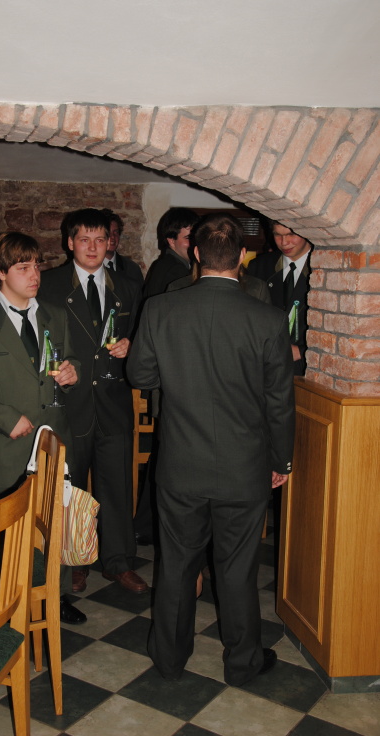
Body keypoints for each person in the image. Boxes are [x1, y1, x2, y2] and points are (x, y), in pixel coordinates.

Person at [127, 215, 295, 686]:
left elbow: (140, 375)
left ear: (197, 254)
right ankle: (242, 663)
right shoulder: (267, 318)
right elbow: (280, 402)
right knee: (238, 569)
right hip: (245, 467)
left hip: (180, 465)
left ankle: (169, 660)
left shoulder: (161, 308)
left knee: (177, 565)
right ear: (242, 257)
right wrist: (281, 460)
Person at [0, 231, 85, 624]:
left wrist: (72, 372)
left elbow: (69, 360)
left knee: (55, 521)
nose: (34, 274)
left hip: (54, 440)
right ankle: (5, 602)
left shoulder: (56, 315)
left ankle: (55, 595)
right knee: (8, 531)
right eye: (23, 267)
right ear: (0, 272)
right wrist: (5, 417)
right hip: (5, 447)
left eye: (36, 265)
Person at [39, 208, 148, 594]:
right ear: (69, 243)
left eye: (100, 239)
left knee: (117, 485)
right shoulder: (49, 284)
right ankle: (75, 561)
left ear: (109, 243)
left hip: (114, 401)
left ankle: (119, 562)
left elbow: (143, 336)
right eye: (84, 239)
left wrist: (133, 345)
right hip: (70, 402)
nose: (92, 247)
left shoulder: (128, 286)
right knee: (71, 489)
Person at [247, 221, 311, 375]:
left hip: (305, 369)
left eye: (291, 234)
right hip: (263, 367)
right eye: (277, 235)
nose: (284, 242)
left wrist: (302, 351)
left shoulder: (326, 266)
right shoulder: (259, 266)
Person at [143, 207, 199, 298]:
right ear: (172, 241)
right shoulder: (176, 271)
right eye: (188, 238)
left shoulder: (163, 264)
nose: (194, 242)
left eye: (196, 237)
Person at [101, 209, 144, 287]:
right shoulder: (89, 267)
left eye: (115, 232)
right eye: (108, 233)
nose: (112, 237)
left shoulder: (132, 268)